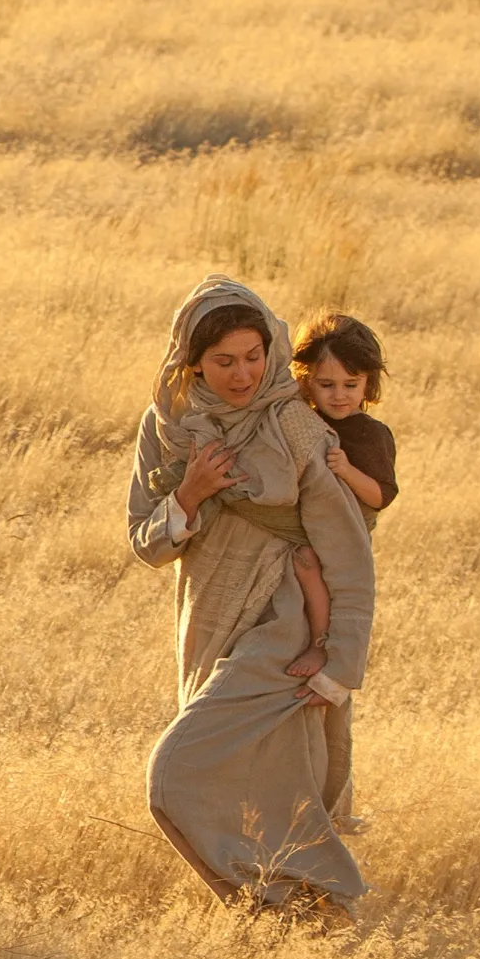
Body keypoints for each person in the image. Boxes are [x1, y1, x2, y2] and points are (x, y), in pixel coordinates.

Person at [128, 276, 374, 920]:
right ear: (192, 362)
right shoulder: (166, 427)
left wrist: (339, 664)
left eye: (254, 356)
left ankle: (295, 910)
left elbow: (349, 554)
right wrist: (190, 493)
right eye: (223, 361)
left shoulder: (294, 425)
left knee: (177, 776)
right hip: (207, 623)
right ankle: (285, 925)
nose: (243, 375)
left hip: (286, 633)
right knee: (249, 792)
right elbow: (146, 544)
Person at [290, 311, 398, 831]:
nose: (338, 396)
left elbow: (381, 495)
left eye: (351, 385)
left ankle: (334, 810)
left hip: (347, 543)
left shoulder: (369, 434)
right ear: (305, 380)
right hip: (307, 541)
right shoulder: (301, 421)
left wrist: (345, 469)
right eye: (326, 384)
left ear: (368, 384)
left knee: (324, 595)